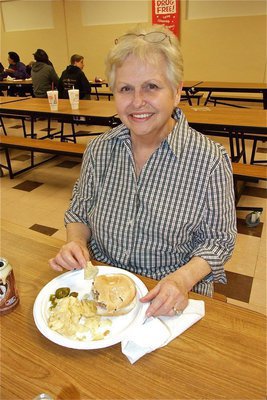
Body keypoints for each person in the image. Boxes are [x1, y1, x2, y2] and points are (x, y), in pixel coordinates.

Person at [49, 24, 237, 317]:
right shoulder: (99, 150)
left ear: (176, 92)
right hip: (103, 291)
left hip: (169, 299)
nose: (137, 102)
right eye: (126, 88)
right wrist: (75, 241)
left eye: (151, 86)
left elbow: (219, 241)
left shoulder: (210, 160)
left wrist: (182, 279)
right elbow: (80, 212)